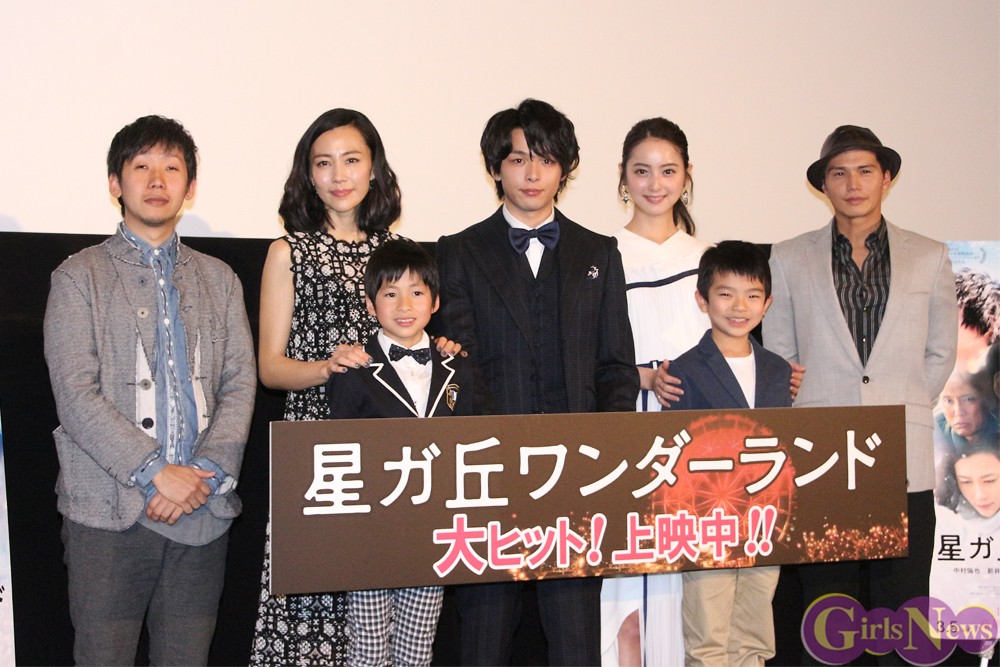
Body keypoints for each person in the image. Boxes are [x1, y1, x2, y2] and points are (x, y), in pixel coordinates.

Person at [43, 115, 256, 665]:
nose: (157, 180)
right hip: (106, 516)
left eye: (172, 168)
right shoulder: (77, 277)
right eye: (141, 167)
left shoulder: (221, 279)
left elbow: (239, 384)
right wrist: (157, 471)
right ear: (116, 183)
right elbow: (76, 395)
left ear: (190, 186)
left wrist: (203, 474)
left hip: (203, 510)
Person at [251, 109, 459, 665]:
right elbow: (270, 367)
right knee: (314, 602)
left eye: (351, 160)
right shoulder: (288, 252)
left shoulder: (403, 254)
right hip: (319, 452)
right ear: (307, 174)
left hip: (394, 458)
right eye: (323, 163)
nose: (338, 175)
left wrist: (439, 352)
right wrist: (329, 366)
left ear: (374, 169)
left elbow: (421, 349)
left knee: (399, 613)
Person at [436, 98, 639, 666]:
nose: (532, 173)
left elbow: (616, 366)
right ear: (496, 167)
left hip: (579, 477)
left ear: (564, 169)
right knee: (483, 642)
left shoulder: (599, 252)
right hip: (489, 476)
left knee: (576, 644)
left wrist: (608, 456)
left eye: (546, 160)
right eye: (519, 158)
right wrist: (487, 452)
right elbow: (456, 365)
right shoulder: (460, 251)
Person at [764, 125, 957, 663]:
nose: (853, 184)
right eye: (840, 173)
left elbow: (940, 353)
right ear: (823, 184)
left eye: (865, 171)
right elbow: (780, 356)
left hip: (903, 456)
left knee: (902, 606)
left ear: (886, 178)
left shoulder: (929, 255)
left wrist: (903, 407)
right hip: (822, 458)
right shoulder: (788, 257)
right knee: (828, 608)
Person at [325, 239, 488, 666]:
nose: (404, 305)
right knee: (368, 648)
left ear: (435, 302)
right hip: (370, 533)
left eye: (417, 292)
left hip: (433, 532)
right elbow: (338, 450)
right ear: (370, 304)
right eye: (390, 293)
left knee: (418, 646)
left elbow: (474, 444)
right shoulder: (353, 369)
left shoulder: (458, 366)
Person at [600, 117, 708, 667]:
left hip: (698, 439)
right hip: (628, 431)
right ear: (623, 176)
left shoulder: (707, 258)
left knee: (693, 592)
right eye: (641, 171)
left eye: (668, 171)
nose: (655, 183)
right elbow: (588, 353)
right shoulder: (600, 255)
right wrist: (643, 377)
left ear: (686, 176)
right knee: (626, 596)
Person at [671, 241, 791, 667]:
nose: (740, 306)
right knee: (708, 635)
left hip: (765, 519)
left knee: (755, 632)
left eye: (753, 295)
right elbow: (675, 453)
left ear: (767, 303)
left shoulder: (778, 369)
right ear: (703, 300)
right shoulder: (683, 370)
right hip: (708, 522)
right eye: (726, 293)